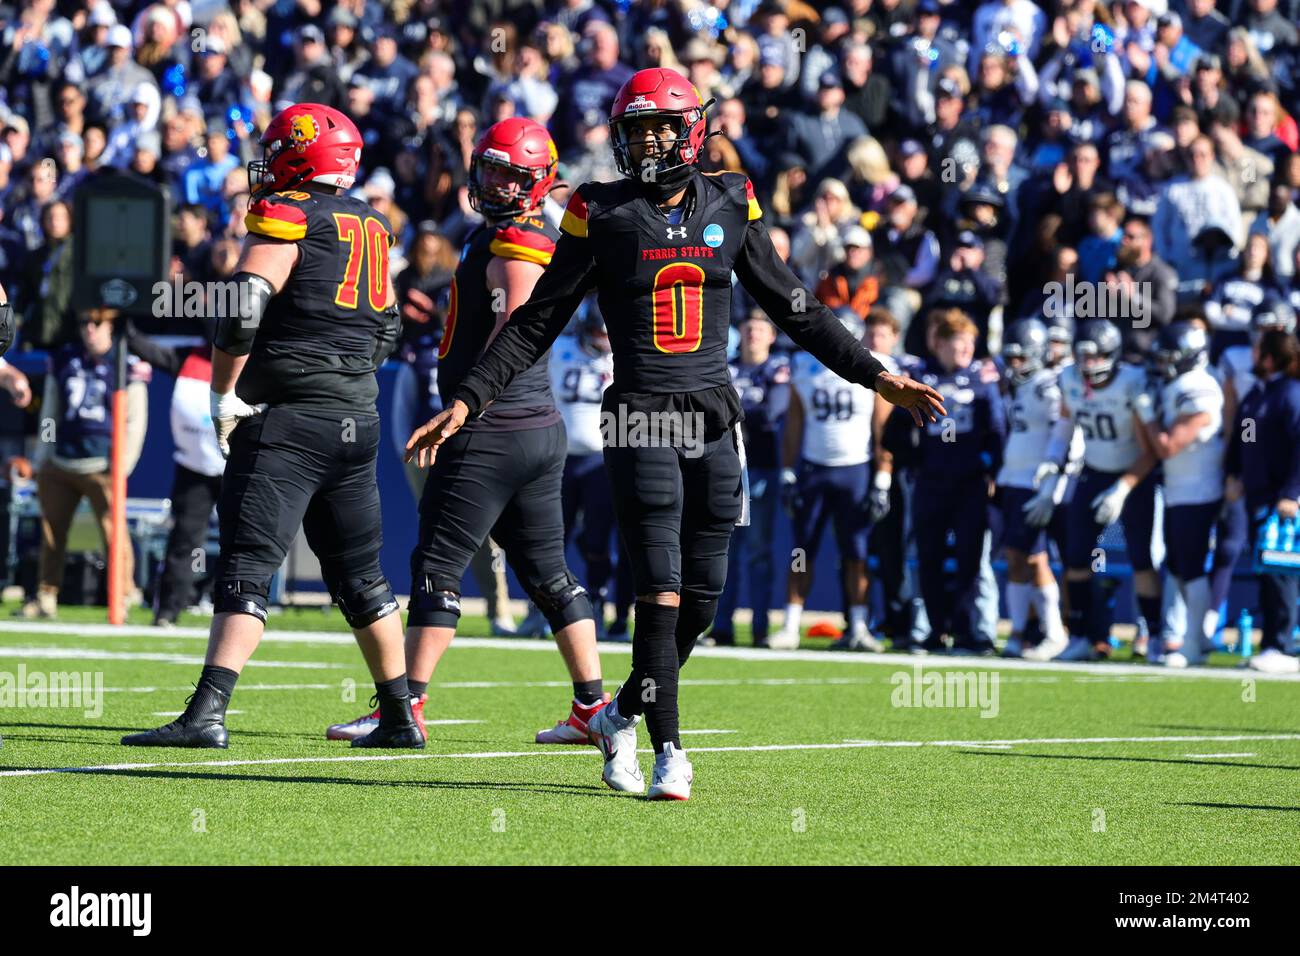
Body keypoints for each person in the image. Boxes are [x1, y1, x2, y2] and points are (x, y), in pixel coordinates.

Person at [408, 68, 945, 801]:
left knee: (703, 601)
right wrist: (470, 398)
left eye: (663, 126)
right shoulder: (600, 211)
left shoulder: (731, 197)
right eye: (638, 129)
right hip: (639, 416)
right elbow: (537, 322)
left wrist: (876, 374)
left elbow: (797, 308)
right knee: (657, 594)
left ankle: (621, 713)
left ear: (693, 128)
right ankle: (670, 753)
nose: (652, 141)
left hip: (714, 418)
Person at [122, 103, 419, 749]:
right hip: (355, 417)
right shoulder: (369, 223)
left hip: (288, 418)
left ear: (300, 155)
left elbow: (243, 308)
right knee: (362, 575)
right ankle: (399, 716)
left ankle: (206, 714)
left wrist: (225, 390)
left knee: (247, 564)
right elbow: (390, 326)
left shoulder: (290, 214)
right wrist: (343, 372)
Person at [330, 118, 608, 747]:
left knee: (436, 564)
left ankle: (404, 709)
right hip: (533, 424)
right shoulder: (516, 230)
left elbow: (516, 321)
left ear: (536, 182)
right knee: (546, 573)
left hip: (493, 425)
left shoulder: (518, 240)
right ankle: (591, 706)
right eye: (489, 170)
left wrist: (465, 402)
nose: (495, 184)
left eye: (510, 174)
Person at [23, 308, 148, 620]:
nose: (89, 330)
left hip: (103, 463)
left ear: (111, 326)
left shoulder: (126, 363)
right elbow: (50, 409)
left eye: (96, 323)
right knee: (51, 533)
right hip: (62, 460)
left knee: (113, 534)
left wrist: (123, 464)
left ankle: (122, 595)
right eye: (84, 323)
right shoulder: (65, 359)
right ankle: (45, 596)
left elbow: (135, 420)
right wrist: (44, 456)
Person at [772, 309, 885, 652]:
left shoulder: (875, 366)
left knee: (857, 552)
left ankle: (860, 625)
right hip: (814, 469)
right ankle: (791, 623)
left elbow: (881, 428)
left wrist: (882, 478)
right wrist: (788, 470)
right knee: (801, 549)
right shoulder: (805, 367)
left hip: (856, 468)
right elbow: (794, 424)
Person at [1050, 319, 1162, 661]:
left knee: (1141, 559)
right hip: (1093, 471)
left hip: (1134, 475)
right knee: (1076, 556)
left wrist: (1122, 489)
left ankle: (1154, 636)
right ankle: (1082, 636)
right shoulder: (1069, 378)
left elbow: (1151, 450)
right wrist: (1052, 462)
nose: (1088, 364)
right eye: (1082, 355)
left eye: (1095, 356)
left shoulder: (1133, 382)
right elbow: (1065, 424)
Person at [901, 310, 1005, 655]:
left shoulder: (981, 379)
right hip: (931, 481)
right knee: (928, 557)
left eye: (969, 343)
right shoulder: (920, 375)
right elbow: (897, 430)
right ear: (940, 344)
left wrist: (993, 473)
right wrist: (912, 461)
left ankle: (965, 630)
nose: (965, 349)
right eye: (958, 343)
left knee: (970, 559)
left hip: (969, 483)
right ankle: (935, 630)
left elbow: (996, 430)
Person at [124, 323, 224, 627]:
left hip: (240, 467)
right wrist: (123, 325)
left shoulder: (256, 360)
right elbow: (149, 350)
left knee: (246, 541)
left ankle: (238, 608)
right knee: (183, 541)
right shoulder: (189, 358)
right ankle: (167, 610)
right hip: (194, 467)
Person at [1136, 322, 1224, 667]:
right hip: (1181, 489)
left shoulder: (1198, 387)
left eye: (1170, 357)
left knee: (1190, 567)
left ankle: (1191, 642)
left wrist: (1146, 415)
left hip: (1197, 489)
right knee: (1178, 565)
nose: (1164, 364)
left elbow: (1169, 446)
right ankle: (1197, 639)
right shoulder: (1182, 384)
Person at [1224, 328, 1300, 675]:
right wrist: (1235, 472)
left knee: (1281, 572)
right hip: (1256, 498)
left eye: (1258, 350)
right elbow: (1244, 436)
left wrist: (1291, 493)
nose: (1252, 355)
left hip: (1281, 501)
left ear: (1268, 357)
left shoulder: (1290, 395)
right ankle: (1268, 642)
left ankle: (1280, 645)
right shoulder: (1257, 395)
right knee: (1266, 572)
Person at [711, 311, 789, 647]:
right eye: (748, 329)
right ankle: (721, 627)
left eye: (760, 329)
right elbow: (706, 409)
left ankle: (759, 626)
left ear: (771, 335)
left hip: (761, 468)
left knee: (758, 550)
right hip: (724, 469)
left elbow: (773, 412)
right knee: (724, 552)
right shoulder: (725, 367)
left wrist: (731, 412)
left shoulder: (777, 369)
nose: (754, 335)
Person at [997, 319, 1070, 662]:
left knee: (1035, 557)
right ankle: (1018, 632)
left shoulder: (1048, 386)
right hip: (1013, 479)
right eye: (1010, 359)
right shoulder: (1020, 386)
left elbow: (1066, 434)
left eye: (1020, 358)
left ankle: (1054, 632)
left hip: (1035, 482)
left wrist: (1051, 488)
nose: (1014, 365)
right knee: (1014, 556)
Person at [551, 308, 619, 640]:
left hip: (599, 463)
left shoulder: (620, 358)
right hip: (561, 461)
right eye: (598, 334)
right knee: (551, 540)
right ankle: (545, 610)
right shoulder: (561, 350)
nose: (603, 342)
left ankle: (598, 604)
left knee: (596, 540)